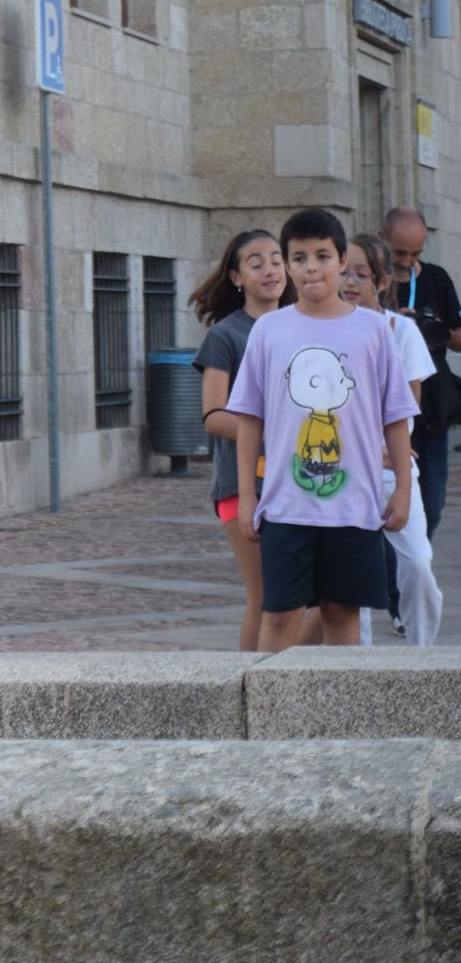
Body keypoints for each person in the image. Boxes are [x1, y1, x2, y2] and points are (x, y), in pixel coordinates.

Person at [227, 208, 420, 652]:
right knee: (278, 616)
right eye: (298, 257)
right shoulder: (269, 331)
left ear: (340, 262)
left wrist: (403, 490)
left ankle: (344, 719)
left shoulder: (373, 331)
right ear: (289, 265)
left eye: (322, 255)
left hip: (355, 507)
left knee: (342, 614)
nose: (310, 267)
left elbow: (395, 416)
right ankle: (268, 715)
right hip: (285, 506)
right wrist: (247, 495)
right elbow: (250, 418)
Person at [190, 229, 292, 651]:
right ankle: (250, 687)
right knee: (266, 596)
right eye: (256, 262)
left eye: (276, 259)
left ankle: (278, 676)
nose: (270, 269)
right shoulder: (226, 336)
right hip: (241, 483)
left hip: (297, 481)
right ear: (236, 277)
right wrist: (273, 427)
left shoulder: (302, 325)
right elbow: (213, 417)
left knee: (326, 599)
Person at [343, 234, 442, 645]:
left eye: (360, 274)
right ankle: (358, 666)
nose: (348, 281)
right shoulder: (322, 328)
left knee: (417, 562)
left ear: (381, 282)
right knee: (353, 575)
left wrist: (393, 457)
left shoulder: (401, 330)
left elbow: (408, 404)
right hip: (341, 467)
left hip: (389, 463)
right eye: (343, 271)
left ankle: (421, 656)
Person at [381, 205, 461, 537]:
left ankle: (418, 559)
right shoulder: (370, 280)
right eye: (400, 252)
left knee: (432, 499)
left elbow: (457, 340)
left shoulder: (436, 277)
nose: (407, 261)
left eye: (416, 253)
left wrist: (434, 327)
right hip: (385, 403)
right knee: (388, 491)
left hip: (430, 407)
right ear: (382, 239)